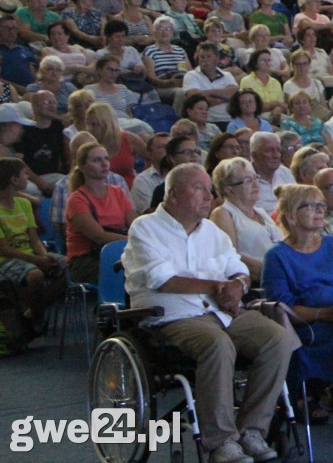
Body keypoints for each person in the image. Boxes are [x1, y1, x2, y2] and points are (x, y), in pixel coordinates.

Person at [123, 163, 290, 463]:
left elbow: (238, 269)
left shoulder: (211, 231)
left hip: (223, 312)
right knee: (217, 343)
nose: (207, 195)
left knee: (277, 338)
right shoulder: (145, 227)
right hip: (172, 317)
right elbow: (164, 280)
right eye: (198, 188)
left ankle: (252, 430)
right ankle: (221, 441)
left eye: (208, 189)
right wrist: (219, 287)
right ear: (172, 194)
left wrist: (237, 286)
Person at [0, 157, 66, 342]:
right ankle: (36, 318)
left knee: (68, 265)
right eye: (24, 175)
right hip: (5, 260)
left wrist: (45, 257)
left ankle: (32, 313)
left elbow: (34, 239)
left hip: (30, 255)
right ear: (14, 180)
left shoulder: (24, 204)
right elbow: (5, 250)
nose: (27, 179)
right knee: (35, 275)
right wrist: (38, 261)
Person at [65, 142, 137, 284]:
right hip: (87, 259)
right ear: (83, 167)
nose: (104, 164)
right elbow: (99, 237)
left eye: (106, 159)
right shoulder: (77, 199)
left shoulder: (118, 192)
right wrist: (137, 240)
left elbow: (135, 225)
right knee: (133, 275)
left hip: (119, 251)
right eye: (97, 160)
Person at [250, 131, 295, 213]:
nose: (276, 155)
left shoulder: (285, 172)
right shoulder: (244, 178)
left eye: (278, 150)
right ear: (254, 155)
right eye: (269, 151)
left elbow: (295, 203)